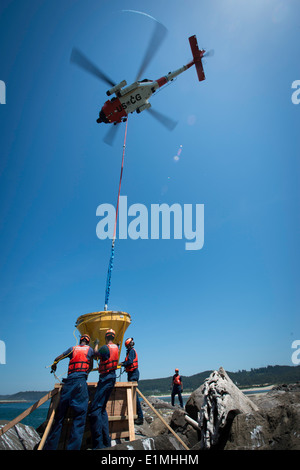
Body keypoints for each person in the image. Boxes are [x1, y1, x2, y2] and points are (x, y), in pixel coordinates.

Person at [44, 334, 94, 450]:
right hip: (80, 383)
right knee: (79, 418)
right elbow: (90, 366)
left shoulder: (72, 349)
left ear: (80, 340)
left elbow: (57, 359)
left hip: (69, 383)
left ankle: (50, 447)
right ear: (88, 341)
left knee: (59, 417)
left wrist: (54, 366)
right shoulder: (89, 350)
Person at [88, 328, 118, 449]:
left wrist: (95, 344)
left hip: (105, 378)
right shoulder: (116, 347)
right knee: (102, 409)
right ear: (113, 337)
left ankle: (98, 444)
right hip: (112, 378)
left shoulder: (105, 348)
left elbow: (96, 354)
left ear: (106, 337)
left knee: (95, 410)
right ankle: (107, 441)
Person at [121, 337, 143, 425]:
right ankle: (137, 415)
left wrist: (123, 364)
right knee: (133, 395)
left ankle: (140, 417)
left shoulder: (131, 351)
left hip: (133, 373)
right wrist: (123, 363)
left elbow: (130, 362)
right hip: (132, 373)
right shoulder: (130, 352)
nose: (132, 343)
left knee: (134, 396)